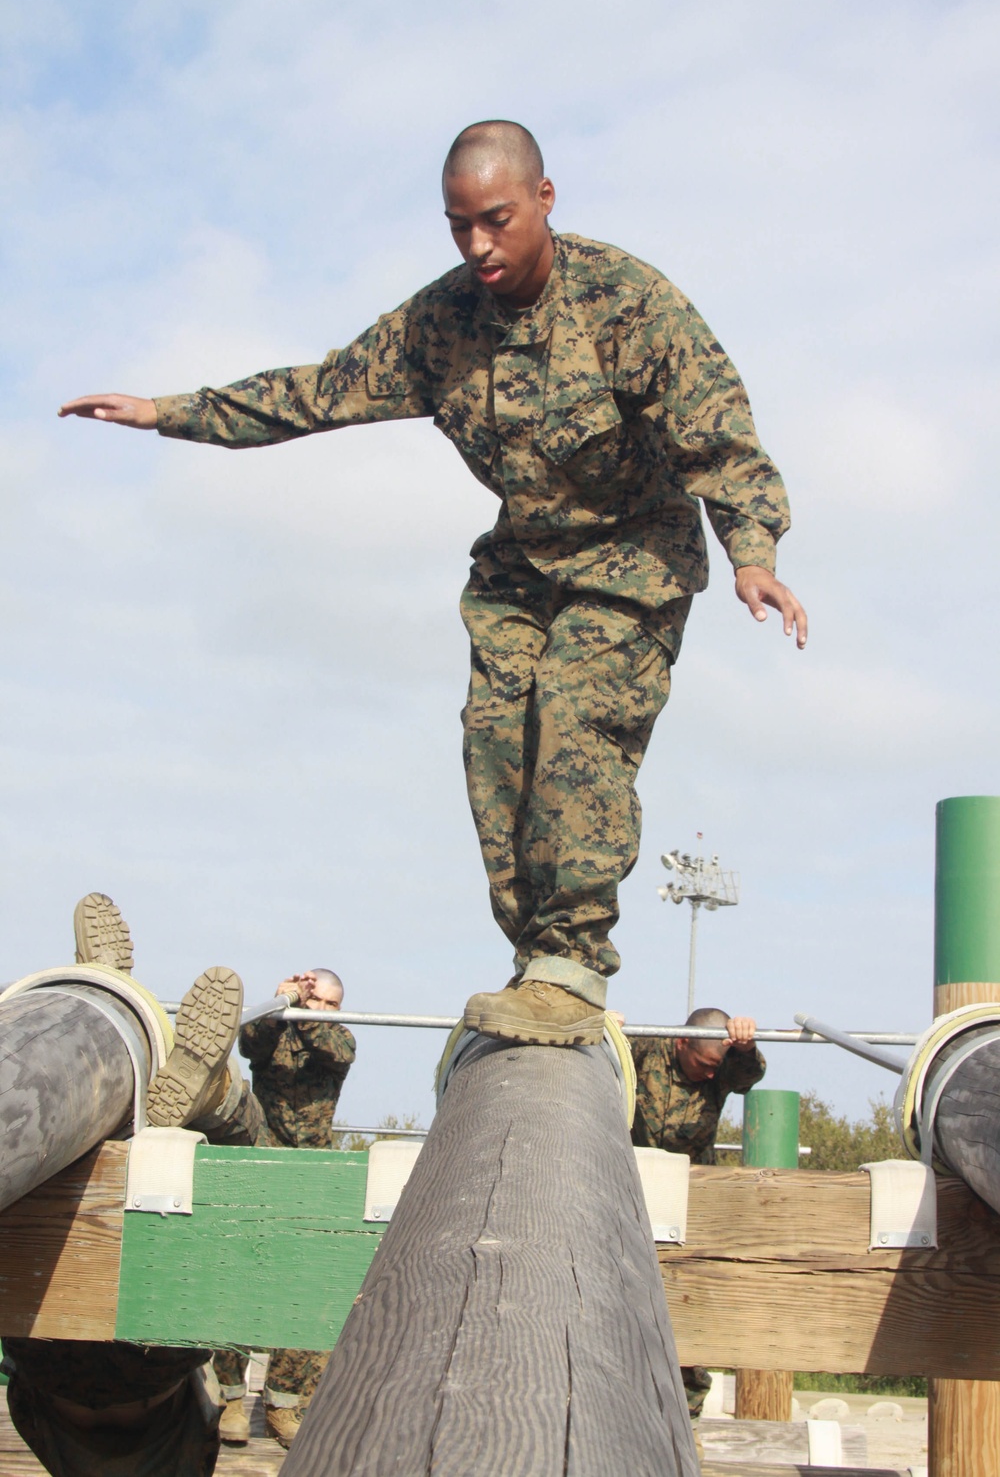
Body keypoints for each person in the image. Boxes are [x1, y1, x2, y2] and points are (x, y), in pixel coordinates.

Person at [58, 120, 808, 1050]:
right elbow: (319, 390)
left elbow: (720, 434)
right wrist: (169, 413)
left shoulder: (627, 304)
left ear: (544, 198)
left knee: (574, 728)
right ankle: (538, 958)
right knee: (496, 751)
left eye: (496, 220)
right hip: (522, 565)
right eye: (459, 227)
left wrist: (752, 552)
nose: (480, 247)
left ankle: (574, 962)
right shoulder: (440, 323)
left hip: (630, 561)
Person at [2, 895, 267, 1477]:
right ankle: (121, 1040)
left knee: (247, 1174)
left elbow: (203, 1425)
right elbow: (22, 1402)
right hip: (51, 1362)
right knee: (57, 1181)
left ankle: (211, 1096)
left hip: (152, 1366)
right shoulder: (51, 1442)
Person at [213, 969, 355, 1448]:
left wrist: (309, 1008)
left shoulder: (341, 1038)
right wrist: (280, 1003)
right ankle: (232, 1399)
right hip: (263, 1164)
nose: (316, 1007)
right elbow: (248, 1040)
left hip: (315, 1175)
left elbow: (330, 1047)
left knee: (307, 1289)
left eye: (326, 1002)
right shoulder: (277, 1034)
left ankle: (282, 1403)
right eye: (314, 999)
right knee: (240, 1280)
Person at [630, 1006, 766, 1428]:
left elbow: (749, 1075)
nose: (710, 1075)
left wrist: (746, 1047)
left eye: (716, 1066)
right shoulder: (645, 1048)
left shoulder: (721, 1072)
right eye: (703, 1065)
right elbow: (601, 1051)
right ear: (681, 1041)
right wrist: (603, 1024)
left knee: (686, 1309)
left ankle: (686, 1417)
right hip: (633, 1191)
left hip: (690, 1201)